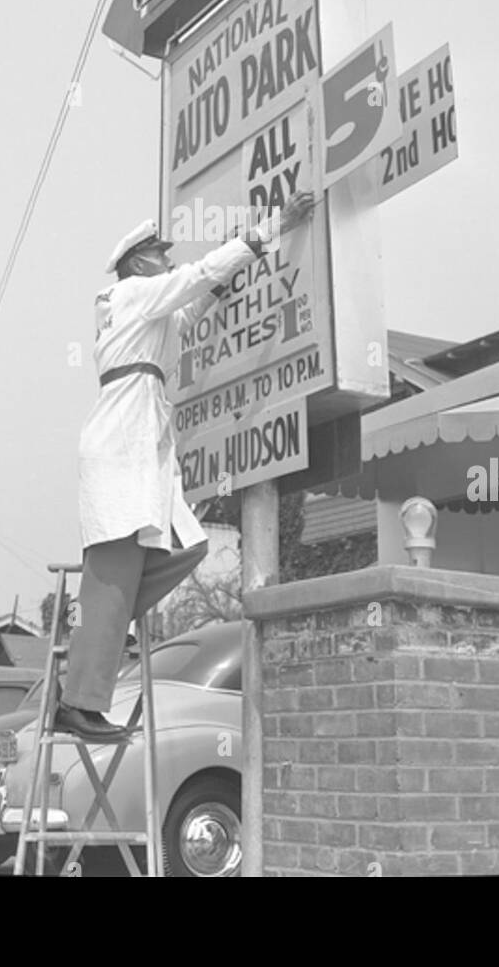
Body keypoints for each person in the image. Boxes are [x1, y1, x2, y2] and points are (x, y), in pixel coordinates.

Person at [55, 190, 316, 741]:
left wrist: (239, 262)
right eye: (159, 253)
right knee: (114, 574)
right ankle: (80, 700)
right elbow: (194, 278)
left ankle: (104, 626)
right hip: (120, 447)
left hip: (138, 446)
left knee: (187, 543)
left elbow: (196, 301)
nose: (168, 259)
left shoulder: (145, 311)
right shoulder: (130, 293)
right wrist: (271, 229)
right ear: (138, 263)